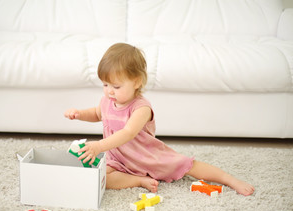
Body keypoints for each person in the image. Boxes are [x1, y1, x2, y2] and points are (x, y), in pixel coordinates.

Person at [64, 43, 255, 196]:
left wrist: (99, 146)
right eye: (105, 84)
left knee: (187, 165)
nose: (109, 91)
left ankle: (230, 179)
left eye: (116, 86)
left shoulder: (141, 108)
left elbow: (128, 133)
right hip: (119, 158)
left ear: (137, 82)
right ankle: (138, 180)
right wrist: (80, 114)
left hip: (147, 155)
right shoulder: (107, 100)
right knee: (102, 177)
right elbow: (98, 114)